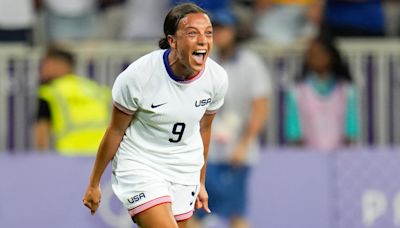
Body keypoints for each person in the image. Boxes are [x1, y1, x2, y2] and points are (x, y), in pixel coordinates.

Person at [82, 3, 228, 228]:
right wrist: (94, 183)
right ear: (172, 41)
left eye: (208, 33)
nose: (202, 40)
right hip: (141, 163)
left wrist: (200, 182)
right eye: (192, 33)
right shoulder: (138, 77)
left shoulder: (216, 79)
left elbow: (204, 130)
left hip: (183, 166)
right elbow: (116, 130)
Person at [190, 9, 271, 228]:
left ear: (235, 32)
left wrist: (244, 145)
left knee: (236, 214)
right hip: (208, 150)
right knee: (194, 213)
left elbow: (260, 108)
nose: (219, 35)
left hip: (236, 152)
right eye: (213, 30)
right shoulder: (205, 62)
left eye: (223, 29)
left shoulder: (250, 63)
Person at [284, 35, 359, 150]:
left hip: (339, 156)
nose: (313, 58)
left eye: (318, 54)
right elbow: (294, 131)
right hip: (307, 156)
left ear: (331, 57)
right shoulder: (296, 91)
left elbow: (351, 129)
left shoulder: (346, 90)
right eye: (310, 55)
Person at [34, 46, 111, 155]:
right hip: (102, 157)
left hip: (69, 159)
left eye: (46, 64)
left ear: (61, 65)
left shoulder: (50, 92)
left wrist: (41, 162)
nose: (42, 70)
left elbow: (41, 136)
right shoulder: (95, 89)